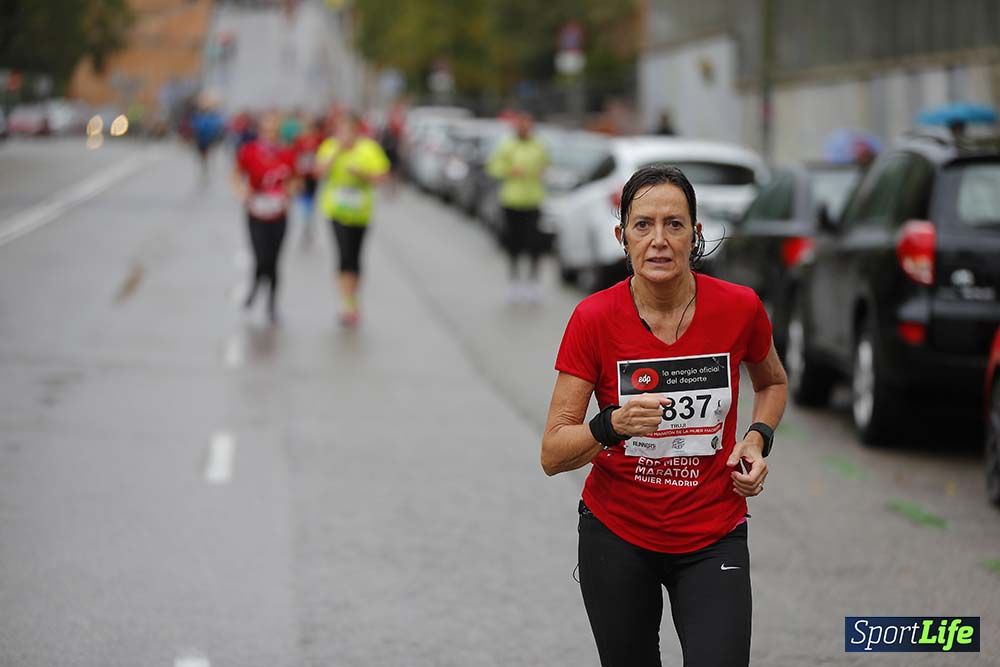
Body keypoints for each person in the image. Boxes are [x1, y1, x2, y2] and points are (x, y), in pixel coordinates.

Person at [541, 164, 788, 666]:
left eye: (674, 224)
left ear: (695, 234)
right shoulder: (593, 319)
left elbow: (773, 383)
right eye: (643, 225)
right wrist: (611, 424)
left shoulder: (739, 308)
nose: (659, 240)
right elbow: (552, 451)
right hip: (618, 535)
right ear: (621, 236)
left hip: (712, 534)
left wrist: (757, 438)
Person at [315, 111, 390, 326]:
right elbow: (318, 173)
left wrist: (362, 174)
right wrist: (336, 153)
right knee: (344, 256)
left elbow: (383, 176)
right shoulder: (330, 147)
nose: (345, 134)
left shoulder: (369, 148)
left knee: (356, 258)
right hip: (337, 211)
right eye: (341, 130)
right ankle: (347, 303)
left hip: (361, 212)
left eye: (349, 130)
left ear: (357, 130)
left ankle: (353, 297)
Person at [232, 112, 298, 323]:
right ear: (260, 131)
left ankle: (272, 304)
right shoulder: (249, 151)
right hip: (256, 211)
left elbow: (297, 181)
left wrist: (289, 192)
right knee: (261, 257)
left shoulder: (287, 153)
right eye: (267, 131)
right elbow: (236, 175)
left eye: (274, 131)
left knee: (274, 260)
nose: (270, 135)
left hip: (279, 213)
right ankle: (253, 288)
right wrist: (242, 191)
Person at [487, 112, 550, 303]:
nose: (524, 127)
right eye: (520, 123)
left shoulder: (539, 146)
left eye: (527, 123)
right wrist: (509, 170)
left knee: (534, 243)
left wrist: (542, 171)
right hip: (512, 200)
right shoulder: (507, 146)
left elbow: (546, 165)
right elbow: (493, 167)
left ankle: (533, 283)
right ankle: (515, 282)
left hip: (533, 200)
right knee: (513, 243)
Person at [292, 116, 326, 246]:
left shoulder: (319, 139)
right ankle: (304, 222)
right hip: (302, 176)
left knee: (311, 202)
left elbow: (323, 155)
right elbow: (294, 156)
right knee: (303, 201)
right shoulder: (299, 140)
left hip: (313, 176)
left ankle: (308, 222)